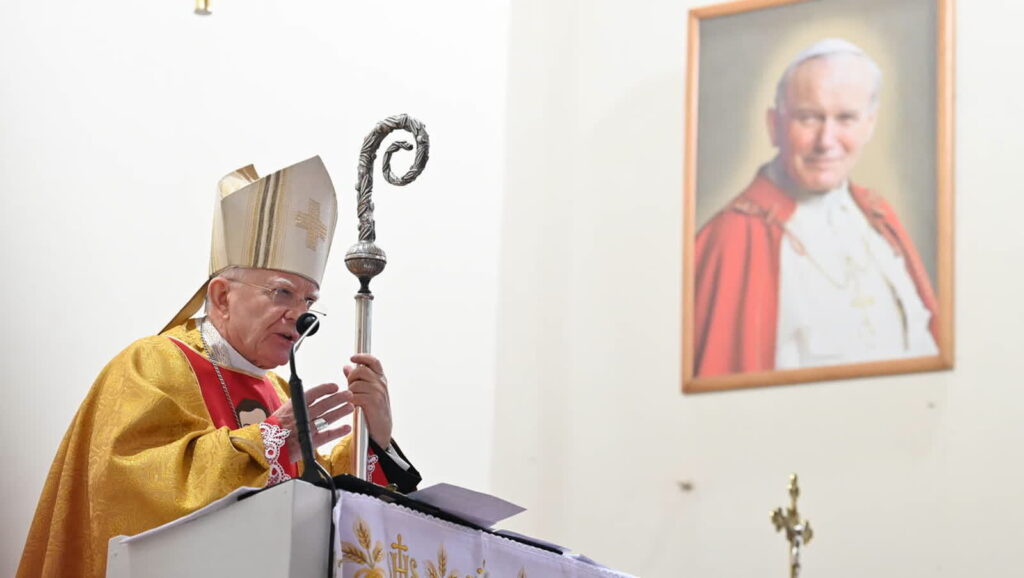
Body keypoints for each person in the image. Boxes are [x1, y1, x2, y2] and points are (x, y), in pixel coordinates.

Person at [18, 156, 420, 577]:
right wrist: (266, 442)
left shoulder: (280, 393)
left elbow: (315, 510)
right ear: (223, 296)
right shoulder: (152, 364)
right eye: (282, 293)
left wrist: (374, 440)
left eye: (309, 302)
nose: (300, 317)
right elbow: (128, 494)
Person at [694, 38, 939, 377]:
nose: (826, 141)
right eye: (809, 118)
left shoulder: (878, 217)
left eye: (846, 119)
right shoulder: (732, 238)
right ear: (773, 125)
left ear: (870, 124)